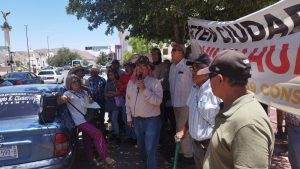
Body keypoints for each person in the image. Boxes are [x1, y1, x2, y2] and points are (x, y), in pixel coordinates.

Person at [202, 49, 274, 169]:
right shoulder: (233, 109)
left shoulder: (247, 123)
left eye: (210, 76)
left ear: (220, 79)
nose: (208, 81)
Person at [59, 74, 116, 167]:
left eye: (77, 81)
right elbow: (62, 100)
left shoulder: (84, 92)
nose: (77, 83)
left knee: (87, 139)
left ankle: (90, 159)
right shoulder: (68, 93)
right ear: (69, 84)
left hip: (87, 118)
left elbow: (89, 102)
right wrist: (59, 97)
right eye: (73, 82)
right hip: (80, 121)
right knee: (98, 134)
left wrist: (91, 101)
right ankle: (105, 157)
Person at [176, 54, 221, 169]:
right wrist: (183, 130)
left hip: (211, 147)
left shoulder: (215, 91)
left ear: (207, 72)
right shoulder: (195, 88)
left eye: (196, 68)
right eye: (192, 68)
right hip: (196, 145)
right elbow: (192, 113)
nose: (193, 71)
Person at [125, 55, 163, 169]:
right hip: (137, 121)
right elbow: (128, 101)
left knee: (150, 149)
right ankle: (147, 165)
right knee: (141, 148)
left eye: (143, 66)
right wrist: (129, 117)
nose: (140, 69)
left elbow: (158, 101)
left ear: (149, 69)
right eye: (138, 66)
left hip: (152, 121)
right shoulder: (131, 83)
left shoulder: (155, 82)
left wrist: (144, 90)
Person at [169, 43, 193, 158]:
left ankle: (188, 155)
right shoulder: (172, 67)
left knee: (183, 128)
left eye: (174, 50)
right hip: (175, 103)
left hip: (186, 103)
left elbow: (195, 84)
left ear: (181, 53)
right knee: (178, 128)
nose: (172, 52)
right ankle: (181, 152)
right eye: (172, 50)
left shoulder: (188, 66)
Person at [151, 47, 173, 143]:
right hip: (151, 94)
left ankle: (162, 139)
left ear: (159, 55)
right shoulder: (151, 66)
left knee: (160, 117)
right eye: (152, 54)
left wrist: (151, 84)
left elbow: (162, 80)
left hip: (162, 94)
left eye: (156, 54)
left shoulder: (163, 65)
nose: (154, 56)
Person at [117, 61, 137, 143]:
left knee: (133, 118)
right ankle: (128, 136)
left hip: (133, 99)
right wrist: (126, 86)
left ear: (132, 67)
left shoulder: (135, 76)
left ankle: (134, 137)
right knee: (125, 118)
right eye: (125, 66)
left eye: (128, 66)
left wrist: (125, 86)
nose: (126, 68)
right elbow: (119, 88)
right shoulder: (122, 76)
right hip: (123, 98)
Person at [87, 66, 106, 133]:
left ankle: (102, 132)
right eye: (91, 71)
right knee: (93, 118)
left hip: (101, 101)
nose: (92, 73)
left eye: (94, 71)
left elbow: (105, 90)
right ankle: (94, 132)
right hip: (92, 102)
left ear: (98, 72)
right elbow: (87, 91)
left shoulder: (102, 80)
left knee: (101, 117)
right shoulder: (88, 80)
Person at [105, 69, 121, 142]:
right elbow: (105, 93)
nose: (110, 76)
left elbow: (119, 93)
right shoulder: (107, 83)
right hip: (108, 105)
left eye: (111, 74)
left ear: (115, 74)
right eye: (109, 75)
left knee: (114, 119)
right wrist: (113, 93)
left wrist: (111, 93)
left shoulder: (118, 82)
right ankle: (110, 134)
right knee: (108, 120)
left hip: (115, 105)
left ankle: (117, 135)